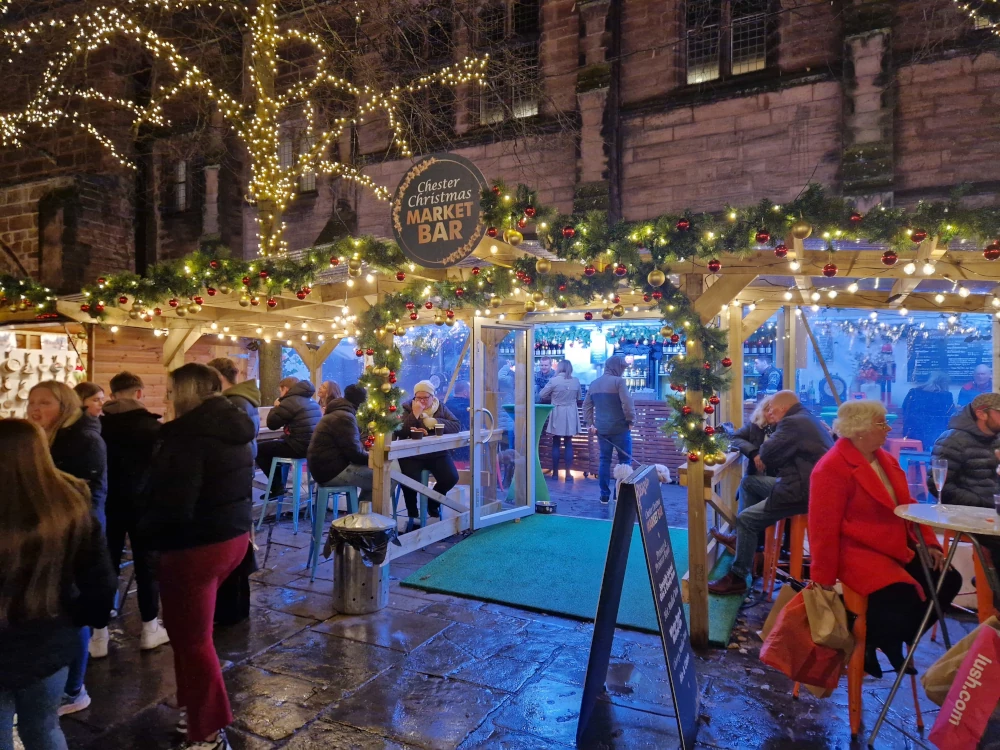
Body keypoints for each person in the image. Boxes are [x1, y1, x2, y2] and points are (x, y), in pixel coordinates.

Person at [138, 363, 255, 750]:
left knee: (192, 639)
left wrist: (147, 534)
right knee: (191, 633)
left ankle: (207, 728)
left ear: (184, 392)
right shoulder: (233, 425)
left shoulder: (186, 437)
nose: (167, 399)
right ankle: (193, 704)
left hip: (195, 545)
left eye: (171, 391)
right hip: (231, 537)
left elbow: (176, 504)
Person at [810, 400, 962, 677]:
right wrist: (823, 578)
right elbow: (822, 527)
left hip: (895, 545)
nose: (889, 428)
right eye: (882, 423)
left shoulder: (885, 459)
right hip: (857, 550)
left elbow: (908, 505)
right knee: (899, 591)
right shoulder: (831, 467)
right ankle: (882, 639)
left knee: (948, 579)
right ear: (859, 429)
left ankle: (884, 639)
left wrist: (929, 544)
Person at [0, 419, 116, 750]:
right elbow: (101, 582)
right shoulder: (70, 505)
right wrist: (76, 618)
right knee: (44, 727)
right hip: (48, 640)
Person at [26, 380, 107, 715]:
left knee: (74, 611)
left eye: (44, 402)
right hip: (52, 533)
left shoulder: (83, 439)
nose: (34, 408)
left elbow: (85, 496)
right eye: (32, 402)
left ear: (65, 405)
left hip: (76, 535)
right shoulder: (45, 437)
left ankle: (74, 688)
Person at [708, 391, 833, 596]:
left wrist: (768, 445)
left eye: (772, 408)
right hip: (811, 486)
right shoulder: (806, 418)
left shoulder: (792, 423)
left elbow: (768, 455)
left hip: (801, 491)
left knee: (746, 519)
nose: (769, 412)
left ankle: (738, 576)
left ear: (783, 408)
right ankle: (742, 541)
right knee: (749, 483)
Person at [90, 371, 168, 659]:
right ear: (139, 393)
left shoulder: (97, 427)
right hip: (144, 504)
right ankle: (149, 627)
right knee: (147, 565)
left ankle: (98, 634)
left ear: (111, 395)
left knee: (103, 564)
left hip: (107, 504)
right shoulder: (152, 428)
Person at [928, 392, 1000, 564]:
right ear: (982, 414)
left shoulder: (997, 438)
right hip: (969, 515)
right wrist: (983, 503)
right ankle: (992, 586)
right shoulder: (952, 440)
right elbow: (939, 486)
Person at [397, 380, 461, 532]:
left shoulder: (440, 408)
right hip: (411, 455)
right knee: (410, 480)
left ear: (433, 397)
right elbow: (400, 431)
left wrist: (436, 422)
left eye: (425, 397)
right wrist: (415, 414)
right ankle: (413, 514)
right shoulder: (406, 408)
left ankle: (434, 501)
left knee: (451, 477)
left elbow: (457, 425)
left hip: (436, 453)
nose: (422, 401)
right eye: (418, 398)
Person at [256, 377, 321, 501]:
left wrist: (276, 407)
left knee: (259, 449)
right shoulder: (310, 400)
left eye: (280, 391)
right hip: (312, 447)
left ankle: (277, 488)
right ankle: (280, 485)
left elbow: (272, 424)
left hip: (298, 448)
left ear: (285, 389)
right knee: (275, 445)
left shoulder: (290, 401)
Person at [583, 356, 635, 504]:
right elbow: (627, 404)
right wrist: (631, 420)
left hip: (601, 430)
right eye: (623, 368)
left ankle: (604, 495)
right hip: (620, 428)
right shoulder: (619, 382)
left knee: (604, 461)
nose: (623, 370)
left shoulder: (594, 384)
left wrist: (590, 424)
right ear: (617, 367)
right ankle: (620, 494)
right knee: (624, 460)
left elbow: (586, 406)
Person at [308, 384, 372, 502]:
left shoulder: (338, 411)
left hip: (322, 469)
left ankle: (361, 513)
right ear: (361, 402)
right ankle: (362, 516)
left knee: (376, 476)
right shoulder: (345, 417)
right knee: (381, 478)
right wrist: (373, 459)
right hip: (330, 472)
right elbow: (354, 454)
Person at [207, 358, 262, 461]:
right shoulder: (245, 397)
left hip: (236, 461)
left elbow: (226, 439)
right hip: (246, 457)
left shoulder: (233, 402)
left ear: (220, 378)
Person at [540, 360, 582, 482]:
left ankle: (555, 473)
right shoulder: (576, 381)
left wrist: (553, 397)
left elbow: (542, 394)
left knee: (556, 442)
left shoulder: (554, 381)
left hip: (557, 412)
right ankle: (568, 475)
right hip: (571, 413)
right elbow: (579, 397)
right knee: (568, 442)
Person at [900, 372, 954, 450]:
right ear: (944, 383)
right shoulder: (946, 396)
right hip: (936, 435)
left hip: (913, 432)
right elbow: (950, 414)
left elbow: (904, 408)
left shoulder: (914, 392)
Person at [447, 381, 471, 463]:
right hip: (466, 447)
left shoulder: (446, 405)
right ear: (465, 393)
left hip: (449, 449)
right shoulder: (470, 406)